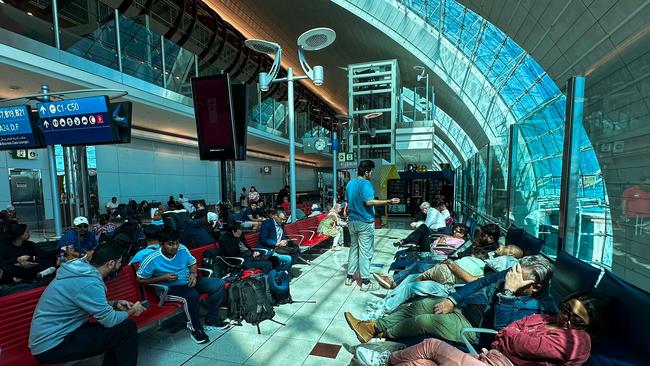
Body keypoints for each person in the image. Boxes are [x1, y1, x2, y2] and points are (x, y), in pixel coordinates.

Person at [354, 291, 610, 366]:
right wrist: (511, 336)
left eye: (576, 319)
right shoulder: (547, 318)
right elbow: (514, 329)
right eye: (566, 308)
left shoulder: (578, 342)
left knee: (430, 343)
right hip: (490, 357)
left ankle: (386, 359)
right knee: (424, 364)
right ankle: (382, 330)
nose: (566, 318)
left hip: (496, 361)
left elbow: (518, 339)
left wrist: (510, 336)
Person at [345, 255, 556, 343]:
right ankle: (373, 326)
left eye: (517, 276)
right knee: (421, 306)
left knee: (425, 320)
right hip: (464, 308)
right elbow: (479, 283)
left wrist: (508, 293)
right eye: (513, 271)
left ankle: (383, 334)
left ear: (535, 286)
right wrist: (453, 300)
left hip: (476, 329)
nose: (511, 276)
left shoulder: (539, 308)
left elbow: (503, 331)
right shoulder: (514, 273)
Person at [29, 243, 146, 365]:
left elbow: (83, 300)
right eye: (119, 262)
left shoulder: (78, 269)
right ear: (110, 263)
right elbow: (109, 320)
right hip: (53, 345)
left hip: (59, 334)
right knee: (126, 329)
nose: (120, 265)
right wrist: (132, 311)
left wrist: (115, 304)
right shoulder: (89, 282)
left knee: (120, 329)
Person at [363, 245, 524, 320]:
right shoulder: (489, 262)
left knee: (413, 286)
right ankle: (385, 302)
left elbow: (471, 280)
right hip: (448, 277)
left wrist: (451, 266)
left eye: (507, 249)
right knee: (411, 277)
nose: (503, 247)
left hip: (450, 287)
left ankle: (383, 310)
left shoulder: (496, 272)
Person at [136, 230, 226, 344]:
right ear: (161, 244)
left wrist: (193, 274)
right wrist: (162, 278)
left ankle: (212, 320)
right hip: (169, 289)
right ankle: (196, 330)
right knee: (192, 295)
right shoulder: (152, 259)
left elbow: (192, 263)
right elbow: (140, 279)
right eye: (170, 244)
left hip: (189, 282)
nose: (175, 247)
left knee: (218, 284)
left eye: (176, 243)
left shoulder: (182, 249)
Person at [345, 160, 400, 291]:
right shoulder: (366, 184)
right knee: (365, 252)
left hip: (352, 221)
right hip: (364, 222)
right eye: (371, 172)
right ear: (366, 172)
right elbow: (368, 202)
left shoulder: (350, 183)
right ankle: (365, 282)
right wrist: (388, 201)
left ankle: (349, 277)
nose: (372, 174)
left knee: (354, 249)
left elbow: (347, 202)